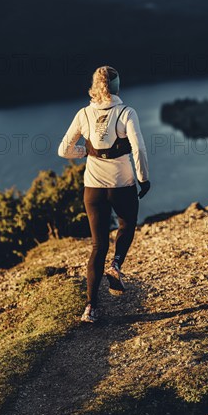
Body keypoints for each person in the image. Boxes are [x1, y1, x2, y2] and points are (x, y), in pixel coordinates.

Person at [58, 65, 150, 323]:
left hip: (93, 188)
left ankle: (91, 307)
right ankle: (117, 265)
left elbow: (64, 150)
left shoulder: (83, 114)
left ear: (95, 86)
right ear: (117, 86)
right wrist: (144, 179)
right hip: (122, 185)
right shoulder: (126, 112)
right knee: (127, 224)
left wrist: (86, 152)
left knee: (98, 245)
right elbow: (139, 150)